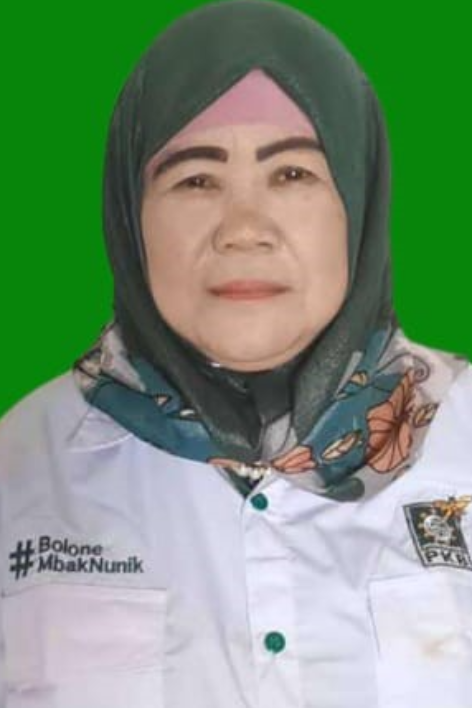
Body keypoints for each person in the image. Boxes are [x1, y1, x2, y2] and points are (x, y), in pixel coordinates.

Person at [1, 1, 471, 706]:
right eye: (196, 179)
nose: (244, 228)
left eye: (293, 175)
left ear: (360, 202)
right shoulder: (20, 471)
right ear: (130, 214)